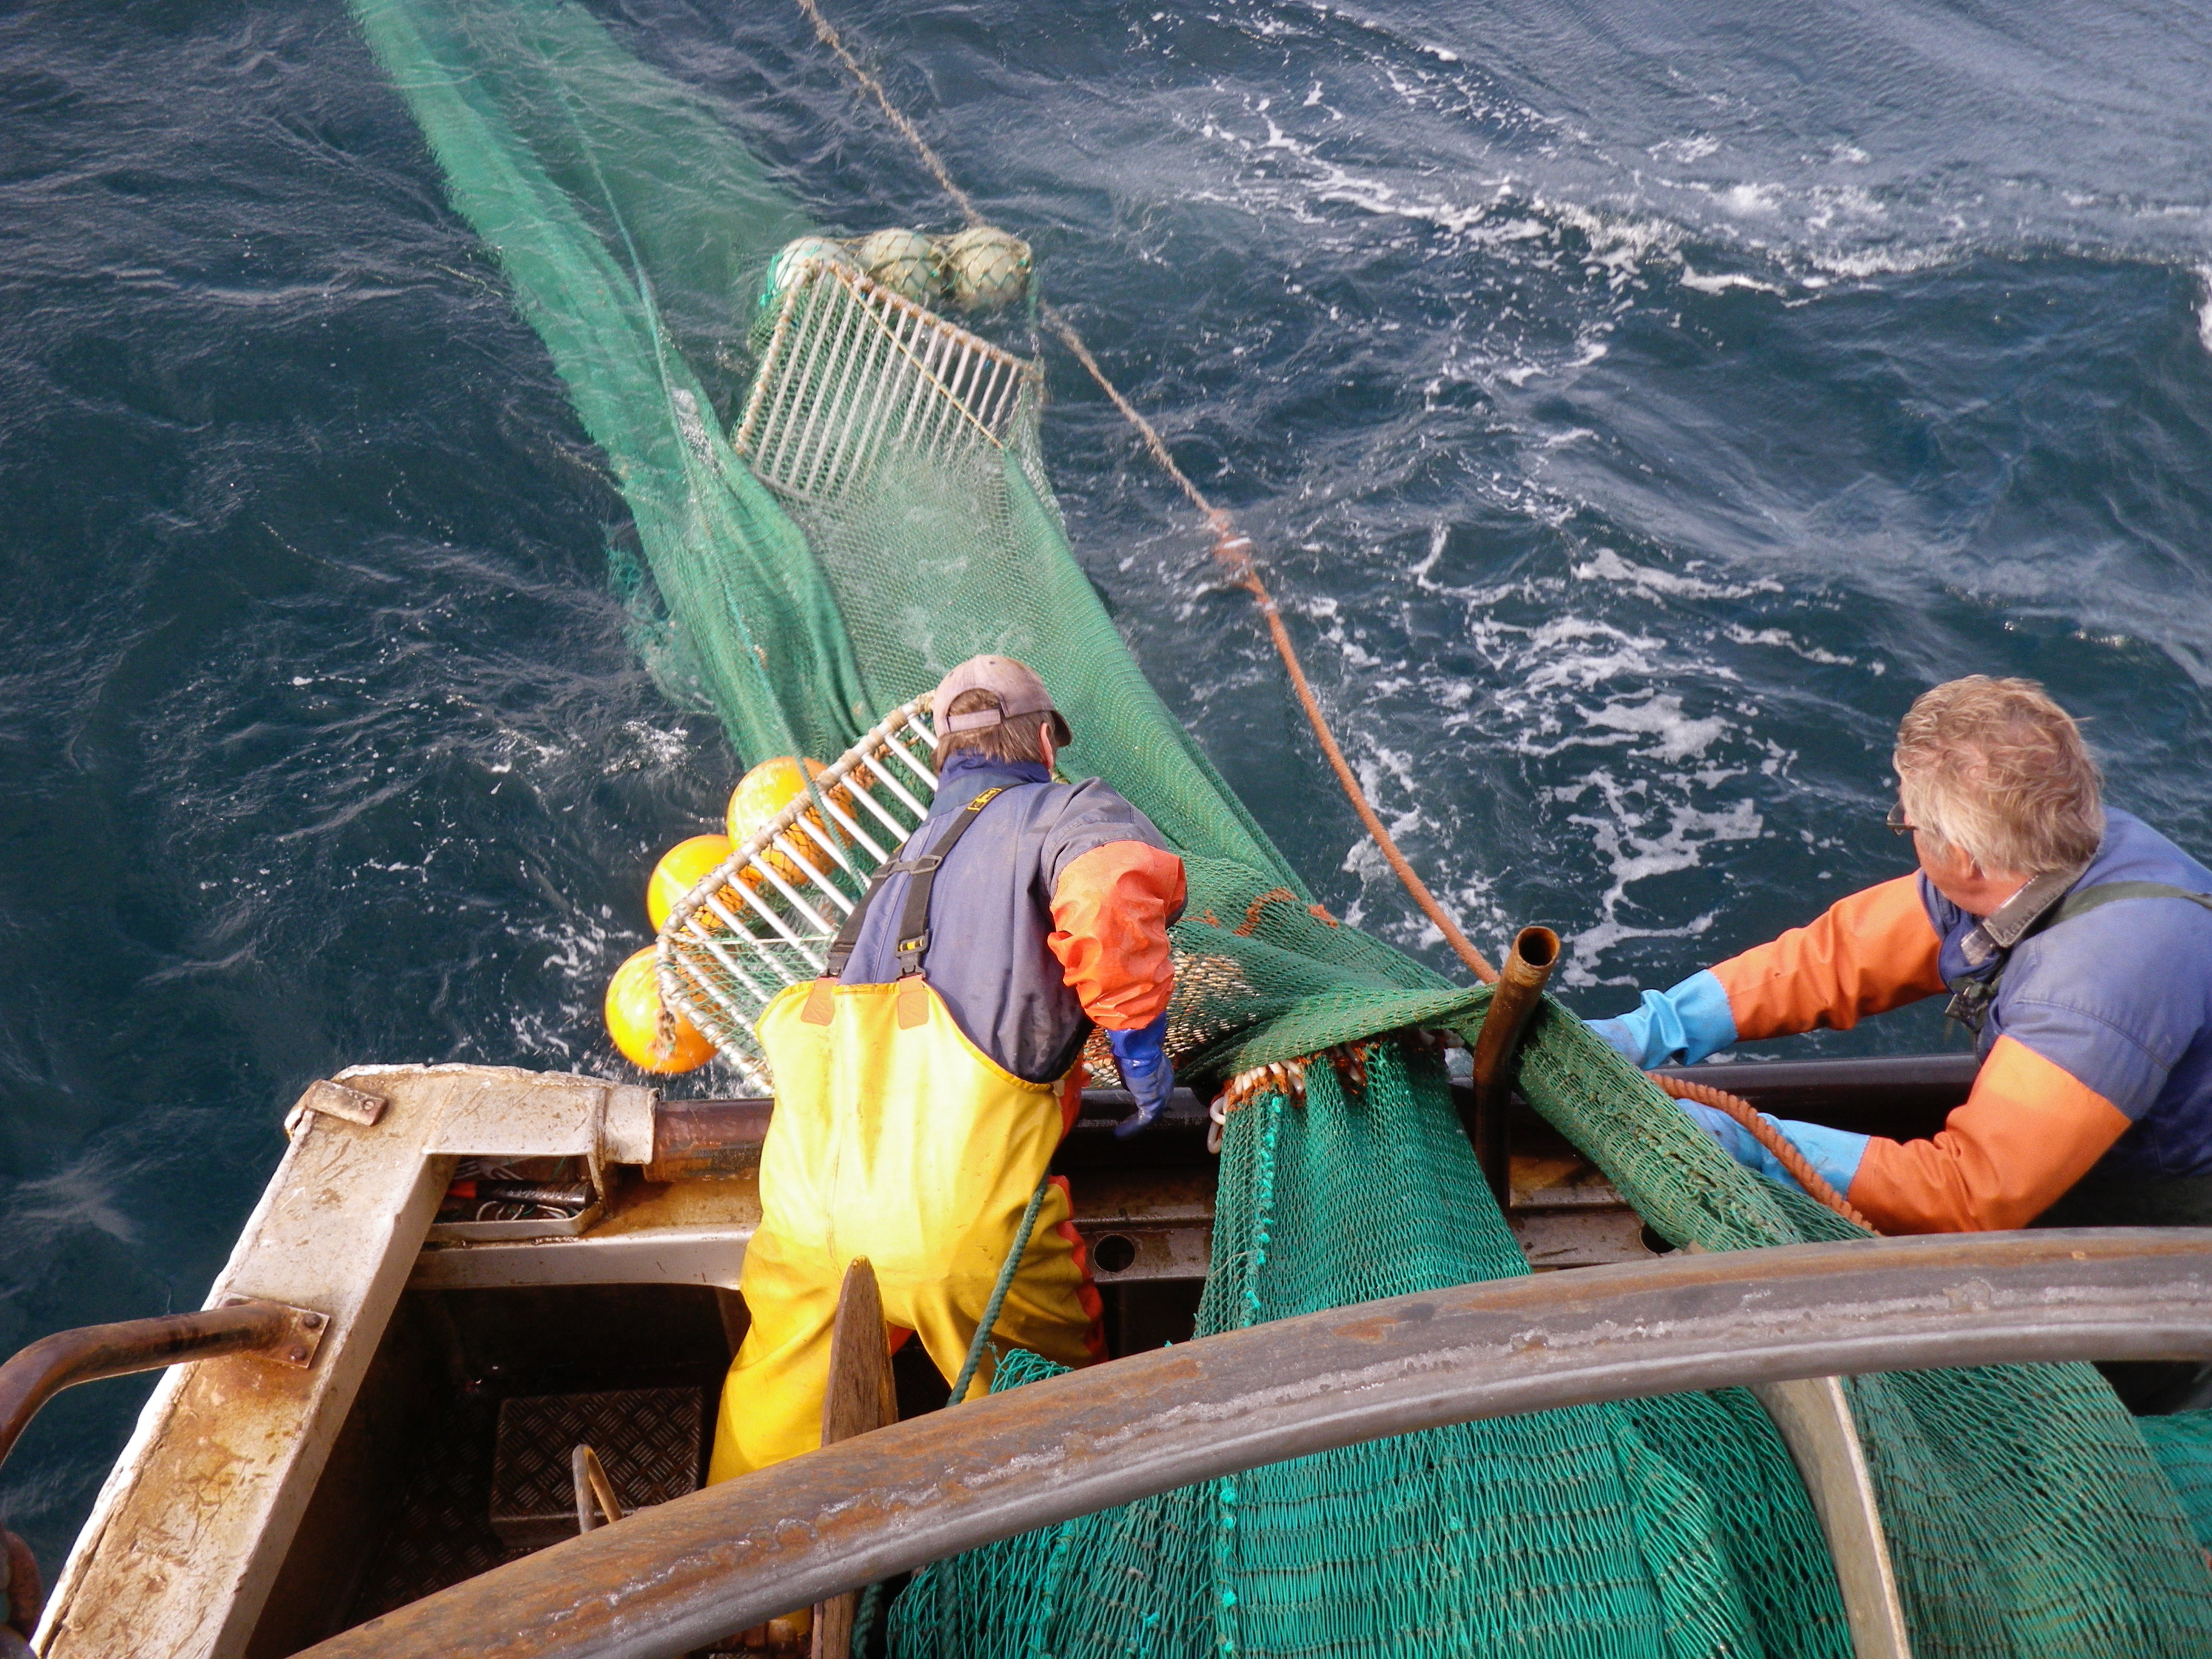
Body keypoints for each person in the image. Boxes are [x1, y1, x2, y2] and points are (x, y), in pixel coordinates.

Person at [709, 654, 1186, 1483]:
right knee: (1050, 1434)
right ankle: (1039, 1592)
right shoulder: (1065, 810)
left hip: (808, 1218)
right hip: (957, 1231)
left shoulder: (894, 870)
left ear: (941, 760)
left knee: (769, 1437)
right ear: (1044, 740)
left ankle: (737, 1599)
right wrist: (1139, 1046)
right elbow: (1109, 896)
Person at [1591, 675, 2212, 1242]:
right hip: (2085, 1144)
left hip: (2164, 1213)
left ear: (1967, 856)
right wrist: (1659, 1025)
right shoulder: (2044, 844)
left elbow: (1971, 1197)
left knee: (2098, 1363)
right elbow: (1839, 959)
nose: (1907, 837)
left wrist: (1758, 1147)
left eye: (1906, 825)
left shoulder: (2088, 996)